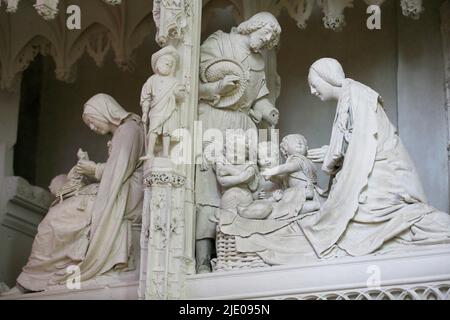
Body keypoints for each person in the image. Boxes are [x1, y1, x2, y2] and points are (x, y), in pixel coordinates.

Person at [302, 58, 450, 258]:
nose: (312, 91)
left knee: (374, 214)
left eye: (314, 84)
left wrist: (332, 155)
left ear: (327, 77)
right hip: (374, 168)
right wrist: (332, 152)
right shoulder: (349, 96)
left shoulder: (358, 95)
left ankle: (439, 227)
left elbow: (364, 144)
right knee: (345, 214)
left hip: (384, 173)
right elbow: (355, 141)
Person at [11, 93, 144, 293]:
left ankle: (33, 281)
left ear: (104, 111)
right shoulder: (127, 130)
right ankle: (31, 281)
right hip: (118, 189)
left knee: (56, 219)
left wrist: (93, 170)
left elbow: (119, 172)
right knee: (62, 209)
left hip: (126, 195)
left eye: (92, 121)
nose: (92, 127)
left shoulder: (128, 130)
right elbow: (116, 171)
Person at [195, 12, 282, 273]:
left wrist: (268, 111)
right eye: (264, 34)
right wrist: (217, 88)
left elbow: (258, 97)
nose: (265, 42)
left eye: (269, 40)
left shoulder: (258, 59)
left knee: (244, 188)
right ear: (252, 27)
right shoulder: (219, 43)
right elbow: (190, 85)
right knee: (208, 190)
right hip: (214, 119)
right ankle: (202, 259)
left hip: (244, 125)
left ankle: (236, 252)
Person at [140, 45, 186, 160]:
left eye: (170, 64)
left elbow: (181, 97)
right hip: (156, 109)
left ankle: (166, 152)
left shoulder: (174, 81)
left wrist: (177, 93)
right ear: (157, 64)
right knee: (153, 130)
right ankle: (150, 152)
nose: (168, 65)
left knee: (167, 131)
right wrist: (145, 112)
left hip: (169, 110)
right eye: (165, 62)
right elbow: (146, 97)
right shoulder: (152, 80)